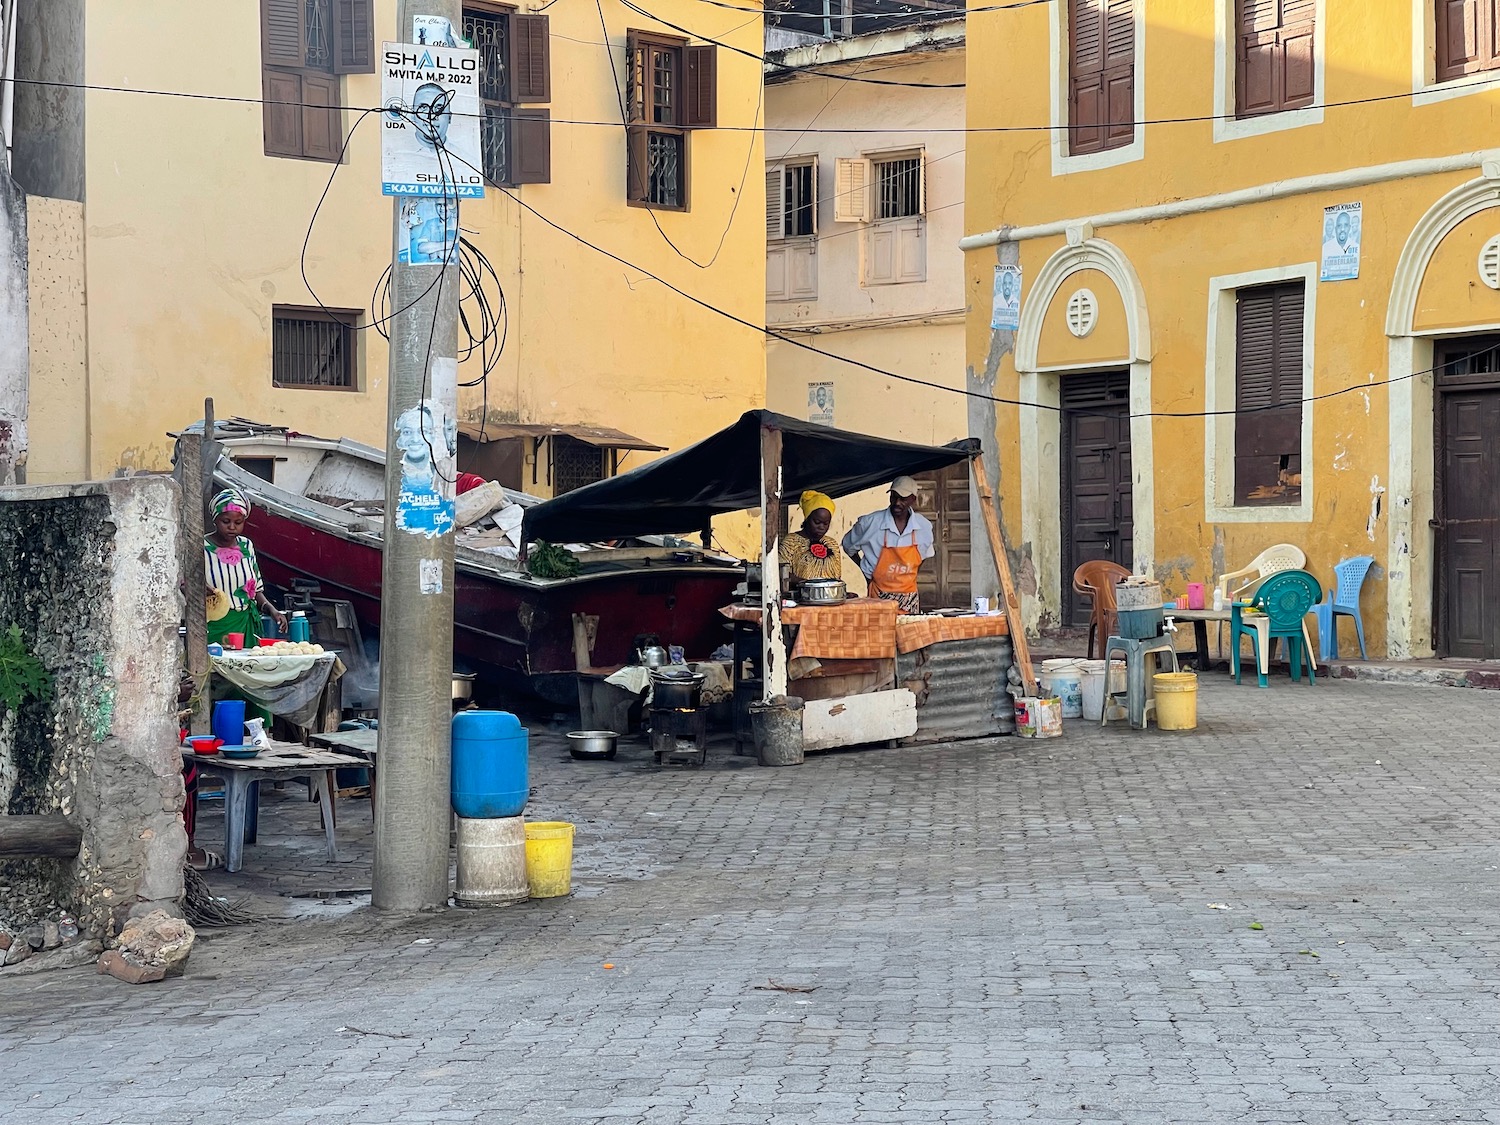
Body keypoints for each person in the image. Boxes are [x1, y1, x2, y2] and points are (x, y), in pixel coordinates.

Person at [205, 488, 287, 647]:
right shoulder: (201, 547)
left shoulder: (247, 546)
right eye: (226, 521)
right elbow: (187, 584)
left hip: (246, 623)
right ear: (215, 519)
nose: (232, 527)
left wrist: (272, 610)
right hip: (215, 625)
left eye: (238, 522)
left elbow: (255, 589)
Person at [841, 476, 934, 613]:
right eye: (894, 497)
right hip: (878, 595)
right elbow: (848, 546)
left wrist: (909, 576)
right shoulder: (870, 523)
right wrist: (866, 573)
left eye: (903, 499)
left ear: (913, 499)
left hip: (909, 597)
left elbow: (924, 555)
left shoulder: (923, 526)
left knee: (908, 632)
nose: (897, 502)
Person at [780, 491, 843, 583]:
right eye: (817, 522)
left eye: (826, 523)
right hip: (801, 595)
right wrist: (809, 585)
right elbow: (781, 572)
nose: (821, 527)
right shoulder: (791, 542)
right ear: (807, 519)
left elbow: (837, 577)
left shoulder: (832, 544)